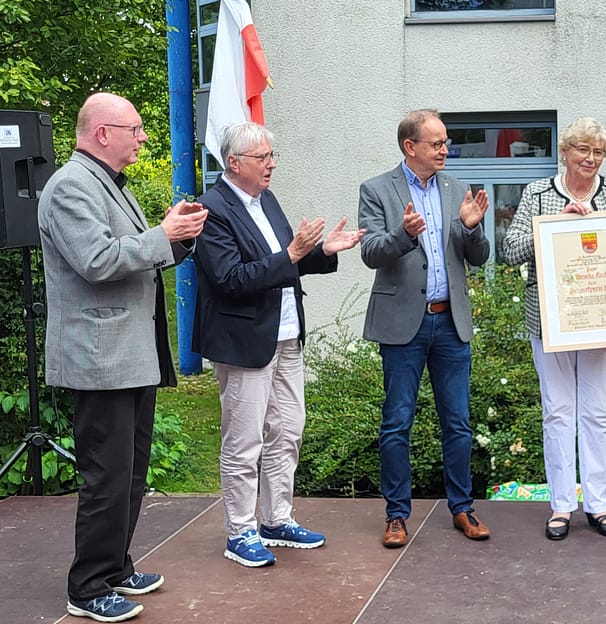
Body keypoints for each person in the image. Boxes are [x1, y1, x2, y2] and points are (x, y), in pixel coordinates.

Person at [39, 93, 208, 622]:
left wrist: (176, 236)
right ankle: (86, 587)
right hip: (99, 357)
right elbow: (97, 260)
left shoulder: (108, 185)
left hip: (129, 352)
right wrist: (163, 235)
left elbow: (136, 249)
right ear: (102, 133)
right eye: (134, 129)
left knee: (131, 473)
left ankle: (114, 568)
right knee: (107, 475)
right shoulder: (70, 186)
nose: (143, 138)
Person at [192, 122, 364, 567]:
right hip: (244, 340)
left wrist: (322, 251)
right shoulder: (211, 210)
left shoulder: (265, 200)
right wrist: (291, 255)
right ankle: (240, 531)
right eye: (262, 157)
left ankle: (276, 519)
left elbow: (285, 265)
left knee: (288, 430)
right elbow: (230, 279)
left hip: (286, 335)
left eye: (272, 156)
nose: (271, 165)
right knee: (244, 440)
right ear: (235, 163)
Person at [359, 108, 491, 548]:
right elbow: (372, 252)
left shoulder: (457, 189)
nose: (444, 150)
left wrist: (472, 229)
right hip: (403, 327)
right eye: (436, 143)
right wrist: (404, 234)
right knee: (397, 423)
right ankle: (397, 515)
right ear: (409, 147)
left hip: (450, 322)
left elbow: (478, 256)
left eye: (446, 142)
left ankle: (463, 509)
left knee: (458, 422)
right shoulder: (377, 189)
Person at [502, 117, 606, 541]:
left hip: (603, 324)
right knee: (558, 413)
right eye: (583, 150)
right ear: (565, 152)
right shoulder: (538, 194)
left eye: (598, 153)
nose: (591, 159)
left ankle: (598, 505)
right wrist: (556, 224)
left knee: (598, 414)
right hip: (551, 322)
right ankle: (561, 506)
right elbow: (510, 251)